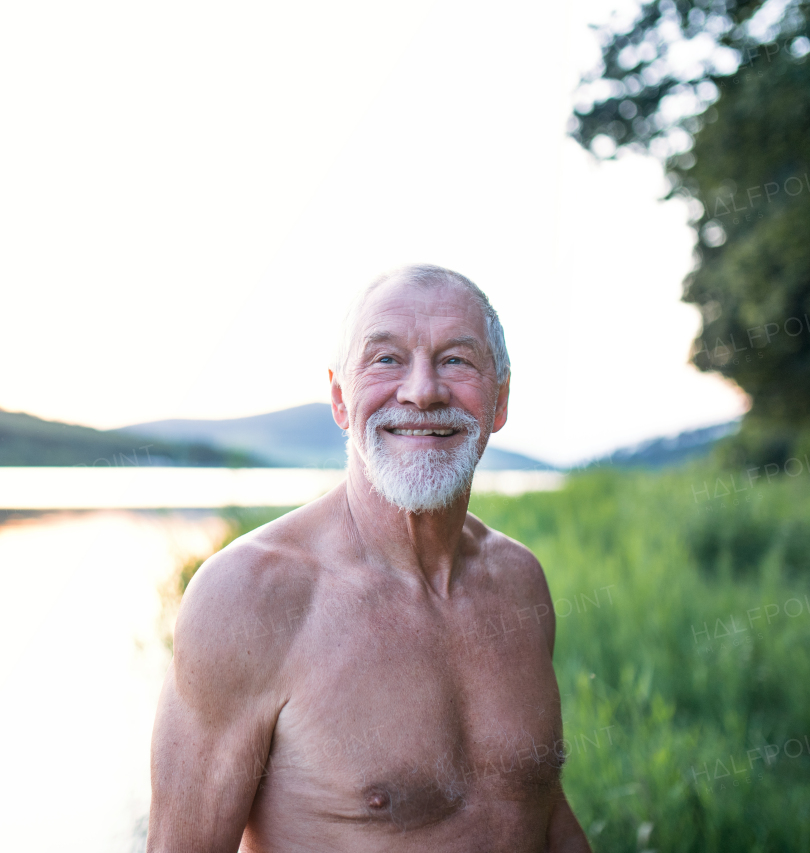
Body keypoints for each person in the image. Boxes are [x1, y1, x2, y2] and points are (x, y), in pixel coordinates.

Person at [147, 264, 591, 852]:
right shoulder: (246, 598)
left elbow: (543, 813)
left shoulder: (517, 582)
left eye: (457, 360)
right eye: (386, 360)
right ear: (339, 398)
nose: (422, 390)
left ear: (500, 400)